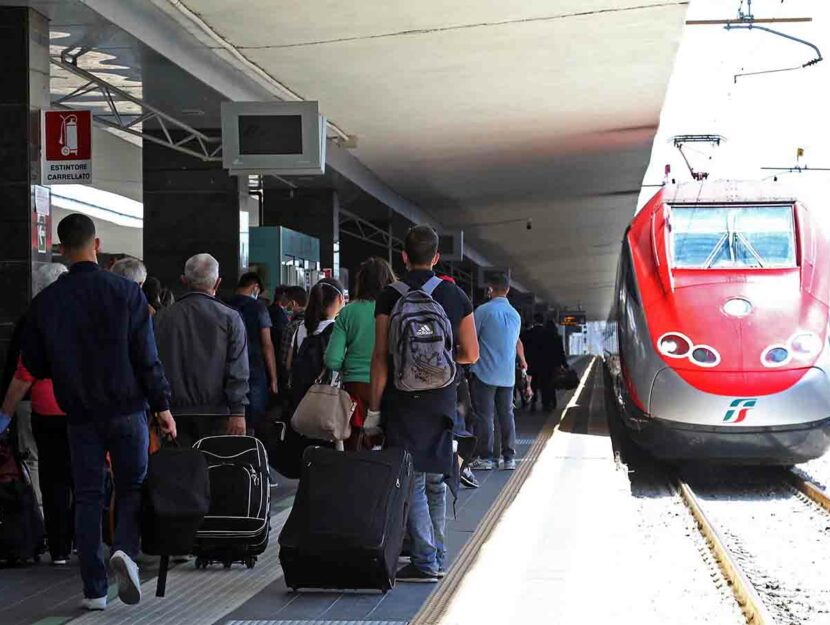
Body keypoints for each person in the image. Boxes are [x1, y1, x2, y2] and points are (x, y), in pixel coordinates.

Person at [18, 214, 175, 611]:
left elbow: (34, 361)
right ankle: (123, 548)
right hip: (127, 410)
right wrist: (163, 406)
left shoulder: (47, 302)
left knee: (87, 496)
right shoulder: (125, 293)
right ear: (97, 244)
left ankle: (93, 590)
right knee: (131, 486)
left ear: (60, 248)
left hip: (80, 416)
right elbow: (146, 358)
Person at [370, 225, 479, 583]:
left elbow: (382, 358)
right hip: (442, 400)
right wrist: (440, 360)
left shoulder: (390, 295)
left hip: (403, 400)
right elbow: (471, 354)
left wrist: (373, 411)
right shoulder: (455, 295)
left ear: (402, 257)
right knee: (435, 479)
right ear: (436, 257)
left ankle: (426, 560)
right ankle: (438, 556)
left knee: (412, 480)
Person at [0, 263, 70, 565]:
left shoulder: (33, 318)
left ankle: (53, 542)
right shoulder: (79, 317)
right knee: (82, 474)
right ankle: (81, 538)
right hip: (79, 406)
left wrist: (4, 413)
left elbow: (20, 367)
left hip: (38, 403)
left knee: (44, 468)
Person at [154, 254, 250, 448]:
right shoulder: (231, 318)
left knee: (179, 473)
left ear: (183, 280)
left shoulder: (162, 318)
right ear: (218, 282)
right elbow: (238, 370)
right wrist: (238, 412)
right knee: (216, 472)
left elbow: (154, 365)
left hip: (172, 414)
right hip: (218, 413)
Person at [468, 273, 526, 471]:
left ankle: (486, 457)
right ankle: (508, 457)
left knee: (485, 416)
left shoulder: (483, 311)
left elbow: (471, 338)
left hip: (484, 373)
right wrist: (523, 362)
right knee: (506, 415)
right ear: (508, 289)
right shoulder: (515, 315)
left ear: (490, 289)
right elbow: (515, 342)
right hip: (507, 376)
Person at [228, 272, 278, 433]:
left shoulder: (224, 304)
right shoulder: (258, 307)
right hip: (253, 369)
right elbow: (267, 344)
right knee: (252, 421)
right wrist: (274, 378)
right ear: (255, 287)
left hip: (226, 368)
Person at [289, 278, 345, 410]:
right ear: (340, 299)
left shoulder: (300, 328)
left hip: (301, 399)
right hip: (328, 401)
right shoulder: (338, 329)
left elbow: (289, 363)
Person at [522, 314, 567, 411]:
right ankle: (546, 403)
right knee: (546, 384)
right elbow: (559, 352)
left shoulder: (528, 334)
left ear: (534, 321)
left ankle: (533, 401)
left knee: (533, 382)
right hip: (548, 366)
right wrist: (564, 364)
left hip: (532, 364)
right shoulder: (551, 335)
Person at [278, 285, 309, 384]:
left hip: (295, 379)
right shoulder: (315, 323)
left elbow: (284, 359)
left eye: (285, 303)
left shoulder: (291, 327)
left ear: (293, 303)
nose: (283, 306)